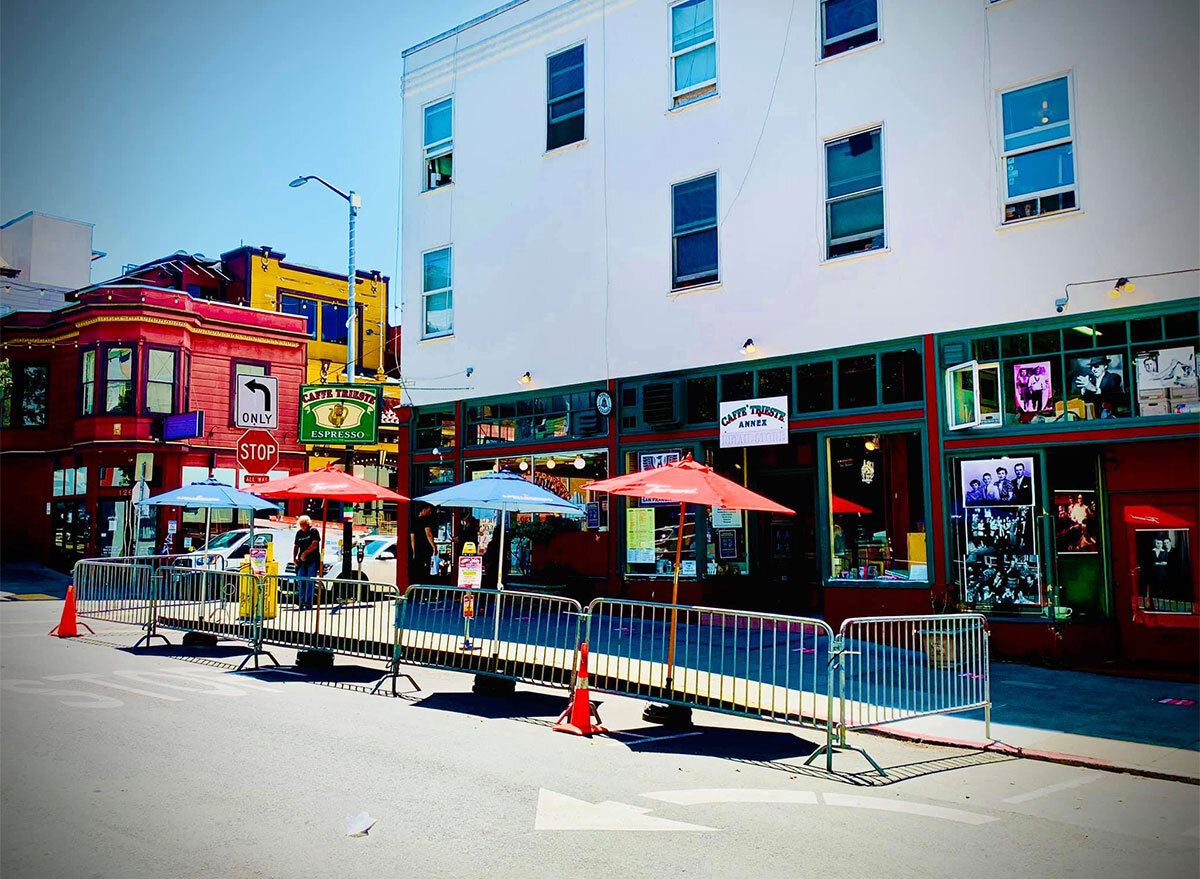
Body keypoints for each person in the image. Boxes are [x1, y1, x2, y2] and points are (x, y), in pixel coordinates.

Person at [293, 515, 320, 610]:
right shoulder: (299, 533)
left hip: (312, 559)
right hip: (302, 561)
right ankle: (301, 601)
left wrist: (304, 553)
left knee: (310, 581)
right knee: (301, 580)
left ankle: (308, 602)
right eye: (301, 525)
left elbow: (315, 544)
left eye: (305, 525)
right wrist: (294, 557)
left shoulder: (313, 531)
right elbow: (296, 546)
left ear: (308, 524)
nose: (303, 527)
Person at [410, 505, 437, 583]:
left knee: (418, 569)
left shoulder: (414, 521)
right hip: (425, 548)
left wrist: (414, 550)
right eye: (429, 510)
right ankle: (426, 584)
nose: (430, 512)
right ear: (424, 510)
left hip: (418, 549)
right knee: (426, 569)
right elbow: (428, 534)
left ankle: (418, 585)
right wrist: (434, 546)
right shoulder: (426, 520)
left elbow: (412, 538)